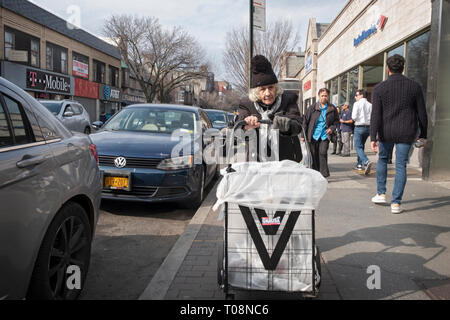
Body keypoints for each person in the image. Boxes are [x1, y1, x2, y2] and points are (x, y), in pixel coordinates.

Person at [370, 54, 428, 214]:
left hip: (386, 131)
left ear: (387, 69)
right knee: (400, 165)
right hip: (406, 131)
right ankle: (396, 204)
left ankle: (381, 193)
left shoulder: (379, 88)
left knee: (382, 159)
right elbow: (422, 113)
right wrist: (423, 134)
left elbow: (375, 114)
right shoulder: (414, 87)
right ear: (403, 68)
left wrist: (373, 136)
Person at [237, 55, 303, 162]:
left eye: (271, 88)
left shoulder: (288, 100)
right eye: (262, 89)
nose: (267, 93)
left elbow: (298, 124)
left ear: (276, 88)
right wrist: (245, 126)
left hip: (285, 160)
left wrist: (288, 125)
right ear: (256, 92)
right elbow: (238, 128)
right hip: (256, 161)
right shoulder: (247, 104)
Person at [303, 88, 339, 178]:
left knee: (322, 153)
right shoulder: (312, 108)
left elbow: (336, 121)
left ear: (328, 96)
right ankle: (315, 174)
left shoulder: (332, 108)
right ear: (319, 96)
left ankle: (323, 175)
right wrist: (302, 135)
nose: (324, 97)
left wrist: (331, 128)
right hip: (312, 135)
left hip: (324, 136)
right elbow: (305, 121)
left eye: (326, 96)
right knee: (313, 154)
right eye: (322, 95)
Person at [352, 89, 373, 175]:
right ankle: (359, 164)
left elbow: (353, 117)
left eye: (357, 95)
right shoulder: (370, 105)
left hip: (359, 126)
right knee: (361, 146)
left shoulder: (357, 104)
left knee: (357, 146)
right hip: (368, 127)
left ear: (361, 95)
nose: (355, 97)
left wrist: (356, 119)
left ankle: (366, 161)